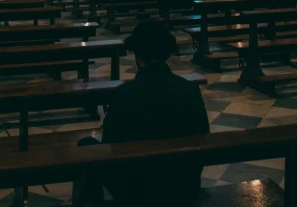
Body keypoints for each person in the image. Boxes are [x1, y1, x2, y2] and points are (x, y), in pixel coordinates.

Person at [75, 20, 209, 206]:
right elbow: (203, 137)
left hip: (137, 192)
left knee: (86, 145)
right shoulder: (189, 89)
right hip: (185, 187)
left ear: (138, 56)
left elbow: (109, 147)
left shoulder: (125, 93)